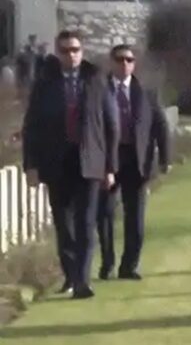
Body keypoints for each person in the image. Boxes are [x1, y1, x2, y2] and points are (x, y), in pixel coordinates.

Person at [22, 30, 119, 299]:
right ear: (57, 53)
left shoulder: (96, 80)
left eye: (75, 49)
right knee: (65, 226)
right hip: (57, 163)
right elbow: (32, 127)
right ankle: (71, 275)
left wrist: (110, 167)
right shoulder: (45, 83)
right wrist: (31, 165)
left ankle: (83, 281)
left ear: (82, 51)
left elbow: (111, 125)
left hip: (90, 162)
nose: (71, 55)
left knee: (86, 222)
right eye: (65, 51)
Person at [97, 44, 171, 281]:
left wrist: (165, 159)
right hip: (108, 159)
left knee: (135, 217)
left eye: (129, 60)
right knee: (105, 213)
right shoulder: (99, 90)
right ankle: (107, 262)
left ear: (134, 64)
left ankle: (129, 265)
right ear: (112, 62)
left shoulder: (146, 94)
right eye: (120, 60)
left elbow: (161, 125)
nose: (125, 64)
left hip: (137, 161)